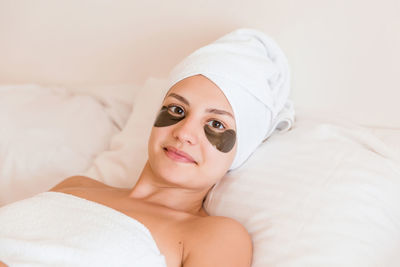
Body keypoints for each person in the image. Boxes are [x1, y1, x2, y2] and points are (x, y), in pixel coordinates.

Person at [0, 28, 292, 267]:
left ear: (240, 149)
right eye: (177, 109)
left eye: (216, 124)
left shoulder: (215, 236)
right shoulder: (75, 187)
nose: (184, 133)